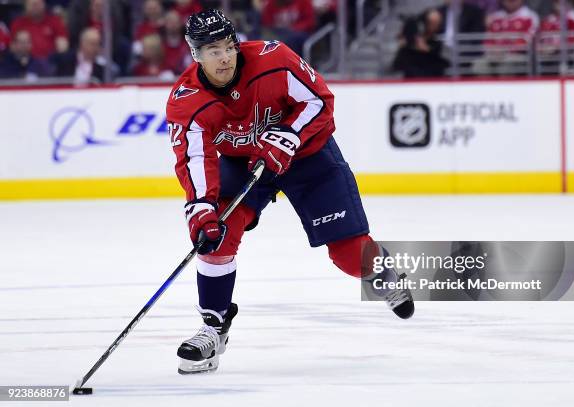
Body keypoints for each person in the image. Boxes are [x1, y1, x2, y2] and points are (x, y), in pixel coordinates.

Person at [165, 9, 414, 375]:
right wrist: (201, 208)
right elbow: (195, 157)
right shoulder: (187, 101)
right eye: (212, 50)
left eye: (228, 46)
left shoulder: (274, 59)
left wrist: (290, 136)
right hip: (246, 162)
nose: (224, 57)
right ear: (195, 55)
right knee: (217, 232)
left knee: (349, 256)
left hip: (308, 155)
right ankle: (213, 328)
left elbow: (320, 102)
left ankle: (381, 271)